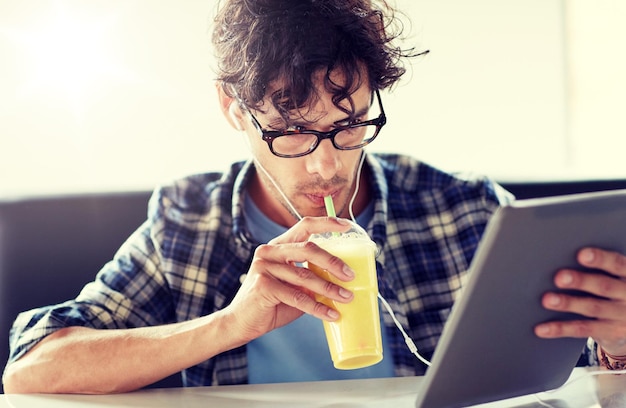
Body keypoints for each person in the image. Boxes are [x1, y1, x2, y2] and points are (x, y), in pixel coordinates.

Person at [3, 0, 626, 394]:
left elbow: (577, 372)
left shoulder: (463, 210)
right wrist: (227, 326)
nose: (327, 165)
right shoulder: (187, 220)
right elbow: (33, 368)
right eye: (293, 131)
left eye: (349, 123)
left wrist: (620, 339)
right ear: (234, 109)